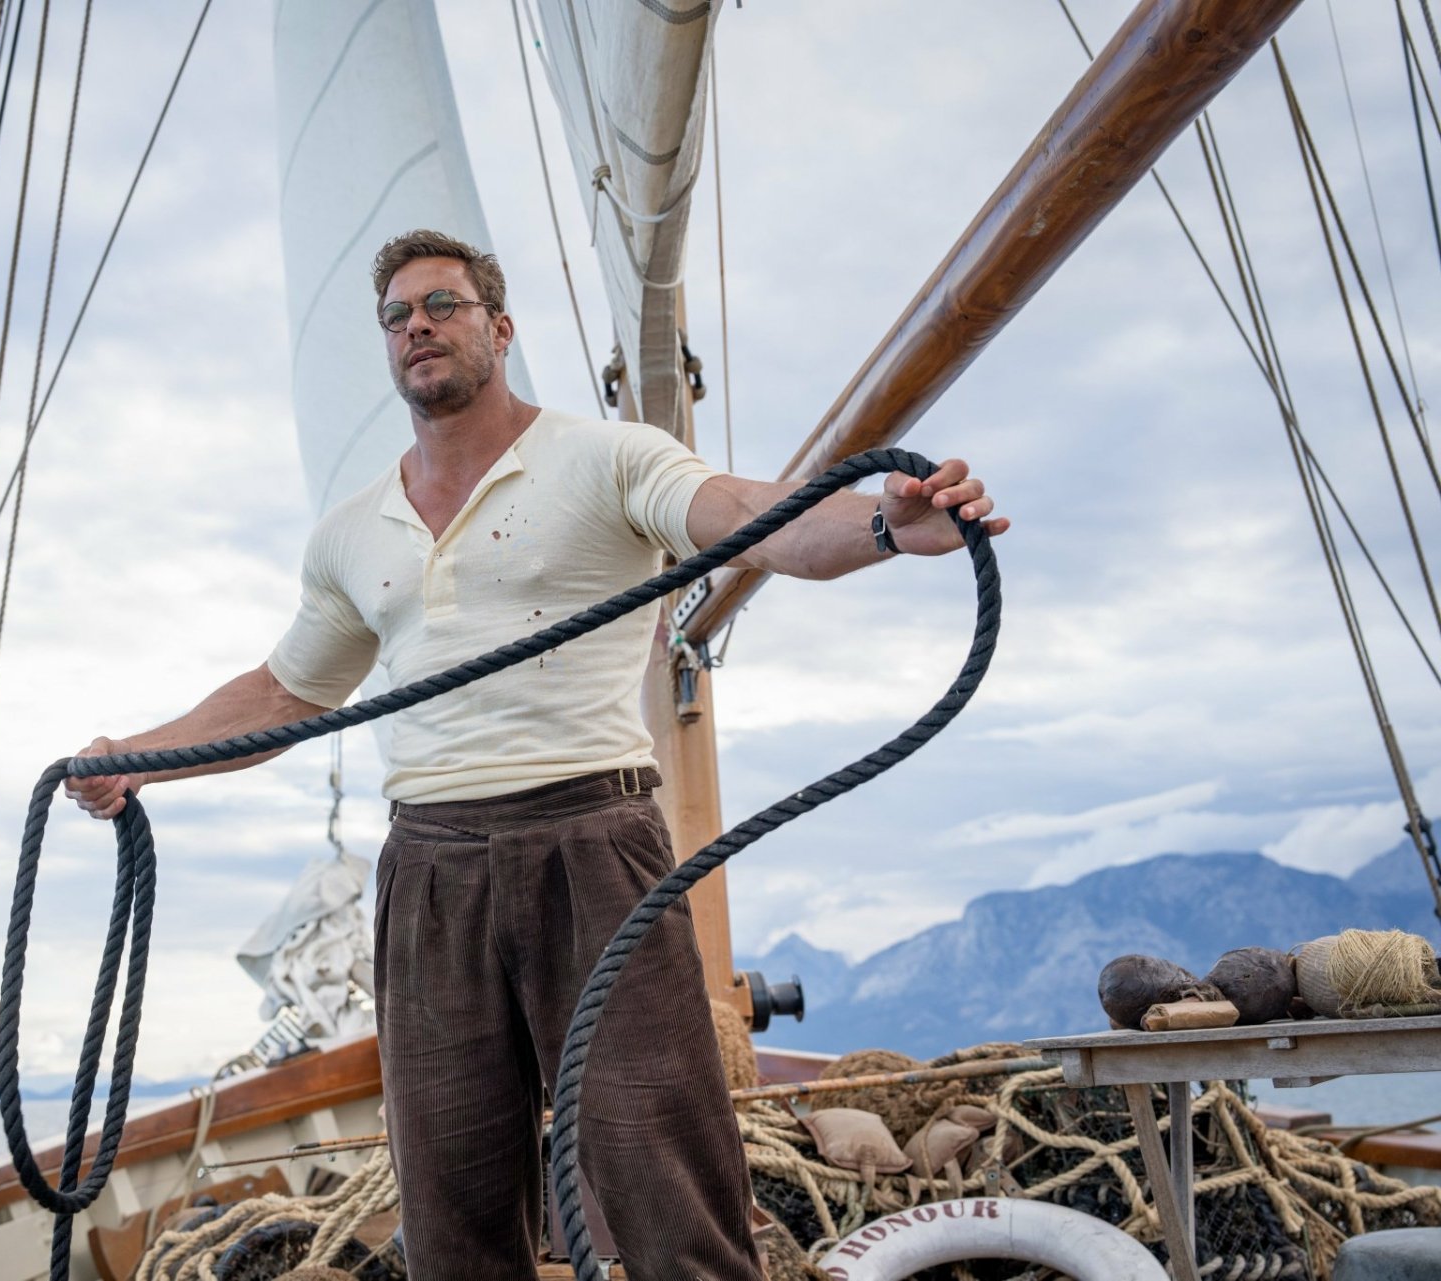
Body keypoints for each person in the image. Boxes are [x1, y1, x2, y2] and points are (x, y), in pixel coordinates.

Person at [66, 229, 1008, 1280]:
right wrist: (136, 755)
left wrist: (883, 526)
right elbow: (283, 692)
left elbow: (749, 520)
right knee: (453, 1211)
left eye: (443, 306)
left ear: (500, 328)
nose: (417, 326)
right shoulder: (350, 532)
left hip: (592, 847)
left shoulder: (604, 459)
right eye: (397, 317)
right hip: (428, 873)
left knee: (664, 1184)